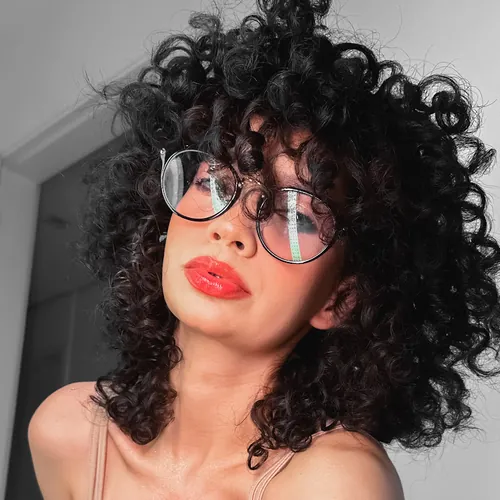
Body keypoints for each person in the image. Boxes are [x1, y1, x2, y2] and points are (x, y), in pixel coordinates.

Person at [27, 0, 500, 498]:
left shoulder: (337, 483)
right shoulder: (68, 433)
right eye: (214, 182)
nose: (231, 229)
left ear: (339, 299)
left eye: (294, 215)